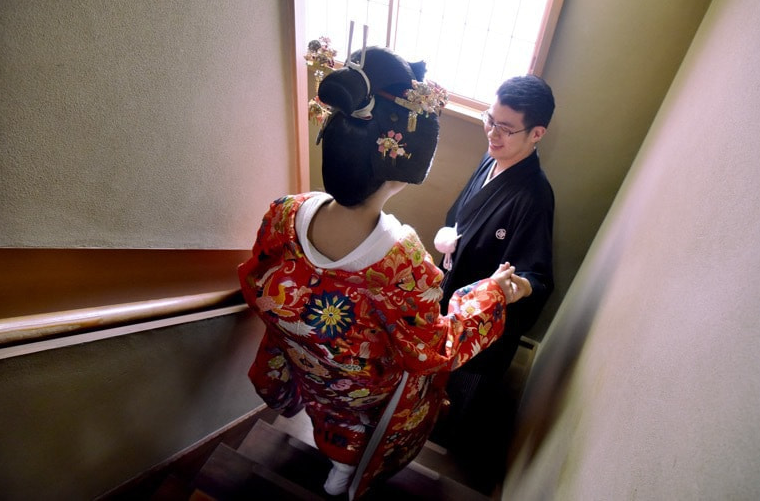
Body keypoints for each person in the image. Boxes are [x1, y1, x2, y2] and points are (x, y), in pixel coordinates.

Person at [238, 44, 530, 500]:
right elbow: (431, 349)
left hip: (303, 362)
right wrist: (491, 295)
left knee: (323, 404)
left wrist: (305, 324)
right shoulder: (401, 261)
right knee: (356, 420)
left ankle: (335, 454)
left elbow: (254, 281)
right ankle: (343, 470)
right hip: (361, 388)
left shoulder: (283, 212)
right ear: (402, 172)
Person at [431, 74, 556, 492]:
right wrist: (450, 237)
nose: (492, 133)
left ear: (536, 133)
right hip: (450, 294)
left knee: (457, 400)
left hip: (476, 328)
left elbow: (537, 277)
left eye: (505, 128)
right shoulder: (493, 158)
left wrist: (518, 287)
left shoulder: (534, 196)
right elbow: (463, 212)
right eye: (490, 120)